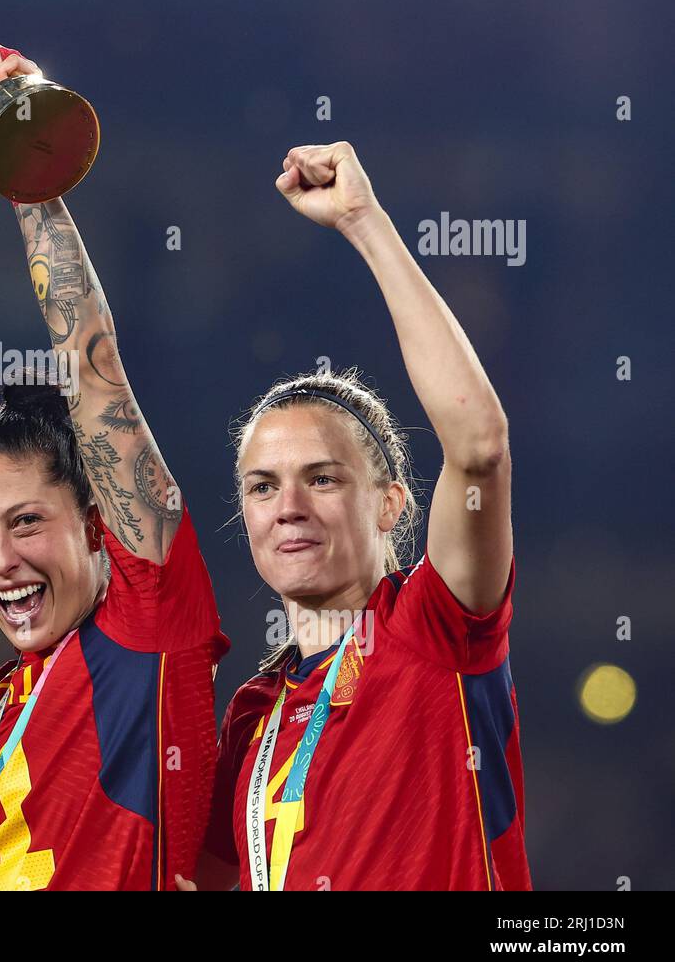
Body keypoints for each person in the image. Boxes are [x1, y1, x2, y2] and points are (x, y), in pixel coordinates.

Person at [0, 36, 229, 890]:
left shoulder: (145, 633)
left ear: (100, 525)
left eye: (26, 523)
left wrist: (26, 172)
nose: (1, 561)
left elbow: (93, 368)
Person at [191, 141, 530, 890]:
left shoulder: (434, 630)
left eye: (321, 478)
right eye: (261, 486)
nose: (288, 507)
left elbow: (479, 449)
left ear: (389, 502)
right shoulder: (252, 716)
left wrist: (364, 223)